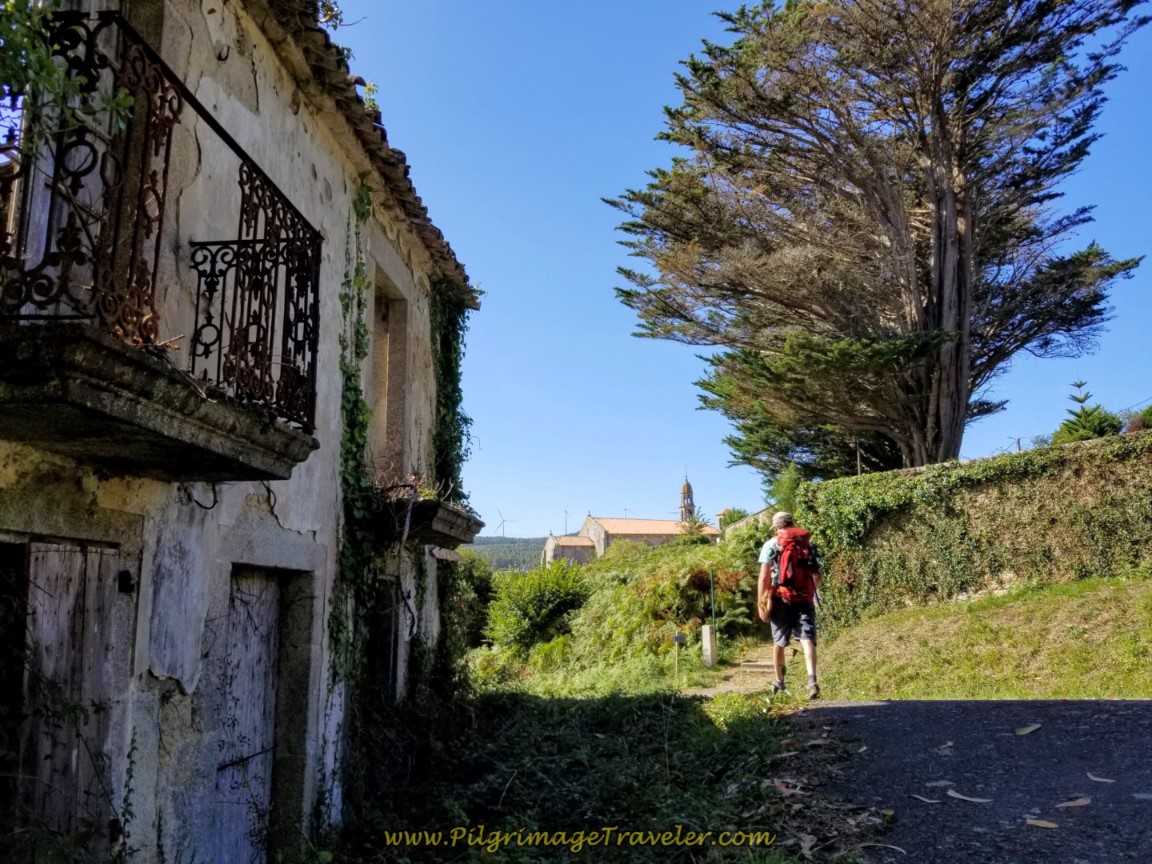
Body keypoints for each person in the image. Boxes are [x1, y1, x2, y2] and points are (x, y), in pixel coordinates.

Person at [757, 511, 822, 699]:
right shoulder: (808, 543)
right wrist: (809, 592)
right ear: (792, 523)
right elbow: (818, 575)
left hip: (779, 598)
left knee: (779, 642)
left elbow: (764, 577)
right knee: (807, 639)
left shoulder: (770, 545)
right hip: (804, 598)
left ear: (777, 527)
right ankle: (812, 680)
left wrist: (761, 603)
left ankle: (779, 681)